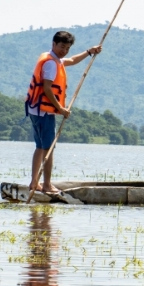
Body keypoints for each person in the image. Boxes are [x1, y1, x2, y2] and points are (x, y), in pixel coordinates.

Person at [25, 30, 102, 194]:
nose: (64, 51)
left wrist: (89, 52)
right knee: (48, 149)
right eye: (61, 47)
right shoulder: (52, 64)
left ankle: (34, 183)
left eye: (67, 48)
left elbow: (72, 60)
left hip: (36, 109)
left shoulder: (53, 59)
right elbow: (47, 89)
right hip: (43, 112)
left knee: (40, 147)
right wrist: (61, 109)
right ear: (53, 44)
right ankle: (46, 185)